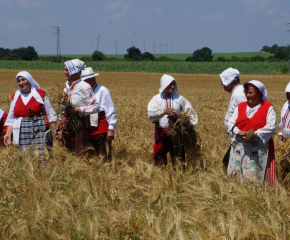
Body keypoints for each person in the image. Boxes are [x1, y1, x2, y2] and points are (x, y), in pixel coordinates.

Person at [228, 80, 277, 186]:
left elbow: (272, 126)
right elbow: (231, 123)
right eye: (246, 92)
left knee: (260, 175)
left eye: (251, 93)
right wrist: (239, 132)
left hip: (260, 148)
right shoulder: (240, 106)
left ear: (259, 93)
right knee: (240, 173)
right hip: (241, 147)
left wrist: (256, 134)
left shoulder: (267, 107)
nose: (247, 95)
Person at [147, 74, 198, 167]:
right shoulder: (156, 99)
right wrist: (164, 111)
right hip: (161, 135)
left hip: (177, 135)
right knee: (160, 164)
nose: (173, 86)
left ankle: (179, 180)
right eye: (170, 84)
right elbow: (150, 114)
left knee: (179, 163)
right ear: (164, 84)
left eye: (174, 84)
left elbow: (191, 112)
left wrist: (190, 125)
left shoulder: (179, 99)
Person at [4, 71, 57, 154]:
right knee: (24, 156)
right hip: (21, 131)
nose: (21, 83)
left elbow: (50, 114)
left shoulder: (41, 94)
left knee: (41, 155)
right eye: (18, 81)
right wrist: (8, 134)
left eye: (23, 80)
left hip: (39, 129)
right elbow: (11, 118)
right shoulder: (15, 96)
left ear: (29, 80)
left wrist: (55, 129)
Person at [55, 59, 99, 155]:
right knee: (67, 157)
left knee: (81, 157)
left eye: (67, 70)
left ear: (75, 72)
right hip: (67, 129)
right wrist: (59, 127)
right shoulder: (66, 88)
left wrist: (79, 110)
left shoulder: (84, 86)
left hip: (80, 129)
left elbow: (95, 106)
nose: (64, 72)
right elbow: (62, 109)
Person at [81, 67, 117, 161]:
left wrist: (111, 128)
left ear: (92, 79)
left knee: (104, 154)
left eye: (85, 81)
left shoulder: (103, 90)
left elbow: (110, 110)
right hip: (87, 127)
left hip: (101, 127)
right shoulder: (83, 91)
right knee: (91, 156)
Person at [220, 68, 246, 169]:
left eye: (223, 81)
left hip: (240, 136)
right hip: (236, 135)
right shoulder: (236, 92)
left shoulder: (239, 93)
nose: (221, 84)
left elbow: (246, 113)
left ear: (231, 81)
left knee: (228, 161)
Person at [277, 82, 290, 147]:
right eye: (288, 96)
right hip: (286, 144)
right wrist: (280, 140)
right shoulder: (286, 105)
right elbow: (282, 125)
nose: (289, 99)